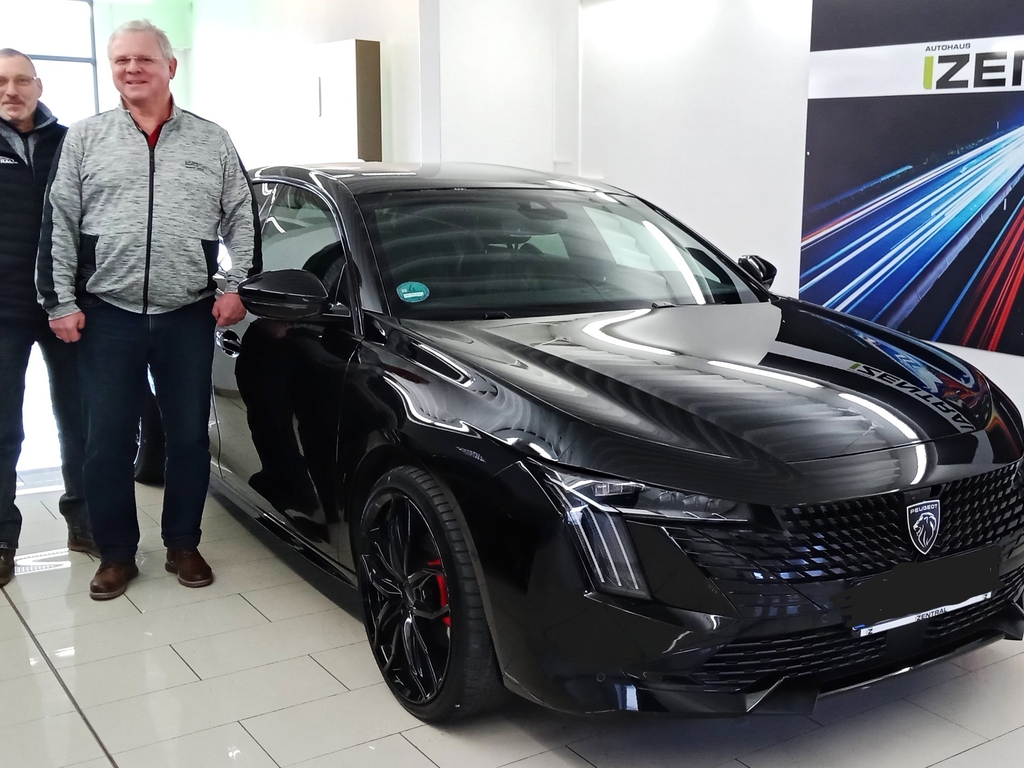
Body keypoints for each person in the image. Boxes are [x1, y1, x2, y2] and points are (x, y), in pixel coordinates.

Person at [36, 20, 260, 600]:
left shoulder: (211, 140)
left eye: (143, 59)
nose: (131, 69)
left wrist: (237, 285)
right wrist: (59, 301)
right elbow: (59, 222)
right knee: (107, 441)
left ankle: (183, 543)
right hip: (107, 314)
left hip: (188, 313)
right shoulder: (86, 138)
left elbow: (242, 216)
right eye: (121, 61)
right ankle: (116, 553)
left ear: (169, 67)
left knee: (187, 437)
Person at [0, 49, 99, 588]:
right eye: (1, 82)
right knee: (3, 429)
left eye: (21, 81)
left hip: (68, 305)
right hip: (4, 310)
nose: (11, 91)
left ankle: (85, 523)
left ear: (38, 86)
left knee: (80, 422)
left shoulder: (72, 142)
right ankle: (2, 539)